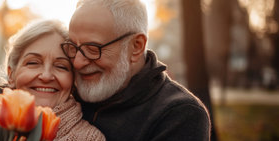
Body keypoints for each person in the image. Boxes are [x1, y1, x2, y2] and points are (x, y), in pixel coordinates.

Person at [60, 0, 211, 140]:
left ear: (136, 47)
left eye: (93, 49)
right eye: (73, 47)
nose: (78, 63)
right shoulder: (64, 94)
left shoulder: (179, 114)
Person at [0, 19, 105, 141]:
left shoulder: (90, 138)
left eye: (61, 66)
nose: (46, 76)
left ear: (73, 80)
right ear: (11, 74)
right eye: (33, 63)